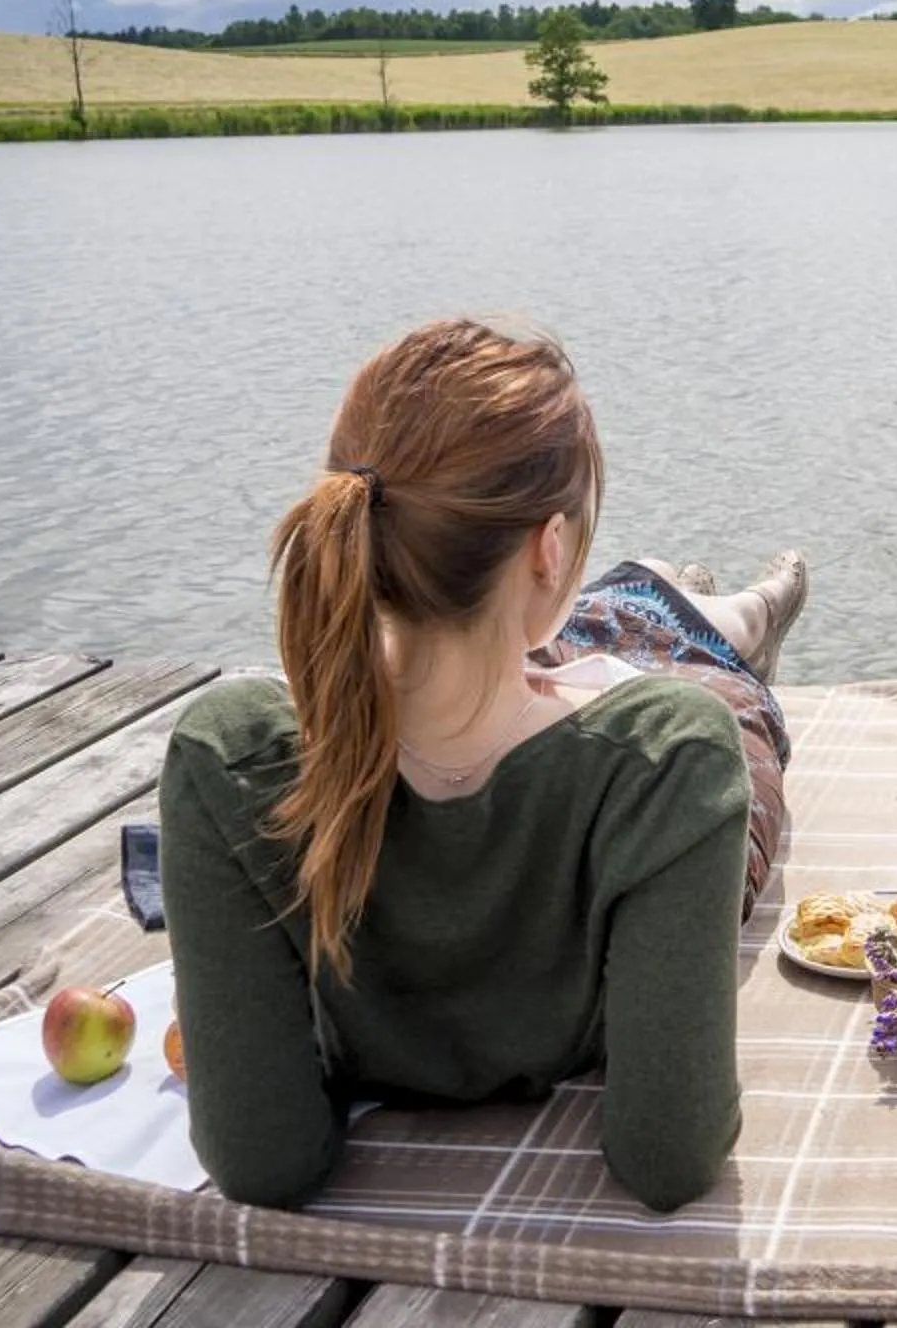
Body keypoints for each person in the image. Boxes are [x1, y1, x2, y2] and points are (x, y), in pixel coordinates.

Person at [158, 318, 806, 1210]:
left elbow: (264, 1161)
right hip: (622, 696)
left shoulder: (227, 755)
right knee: (714, 684)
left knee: (607, 634)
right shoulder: (670, 758)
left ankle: (688, 597)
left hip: (520, 653)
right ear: (548, 548)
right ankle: (726, 615)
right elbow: (670, 1157)